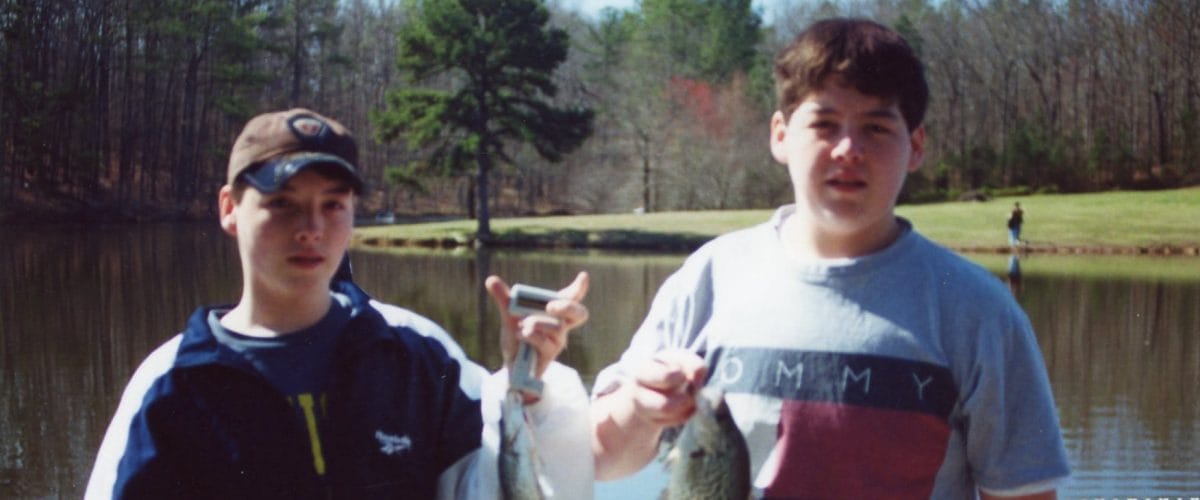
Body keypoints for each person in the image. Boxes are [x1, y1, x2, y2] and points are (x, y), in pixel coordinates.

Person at [589, 18, 1070, 499]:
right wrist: (638, 405)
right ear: (780, 135)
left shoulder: (978, 309)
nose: (849, 149)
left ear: (916, 146)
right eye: (824, 124)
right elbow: (603, 458)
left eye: (876, 128)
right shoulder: (711, 276)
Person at [85, 108, 594, 499]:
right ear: (229, 209)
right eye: (281, 203)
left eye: (333, 205)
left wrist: (525, 377)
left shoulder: (417, 355)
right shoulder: (172, 384)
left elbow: (499, 484)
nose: (312, 229)